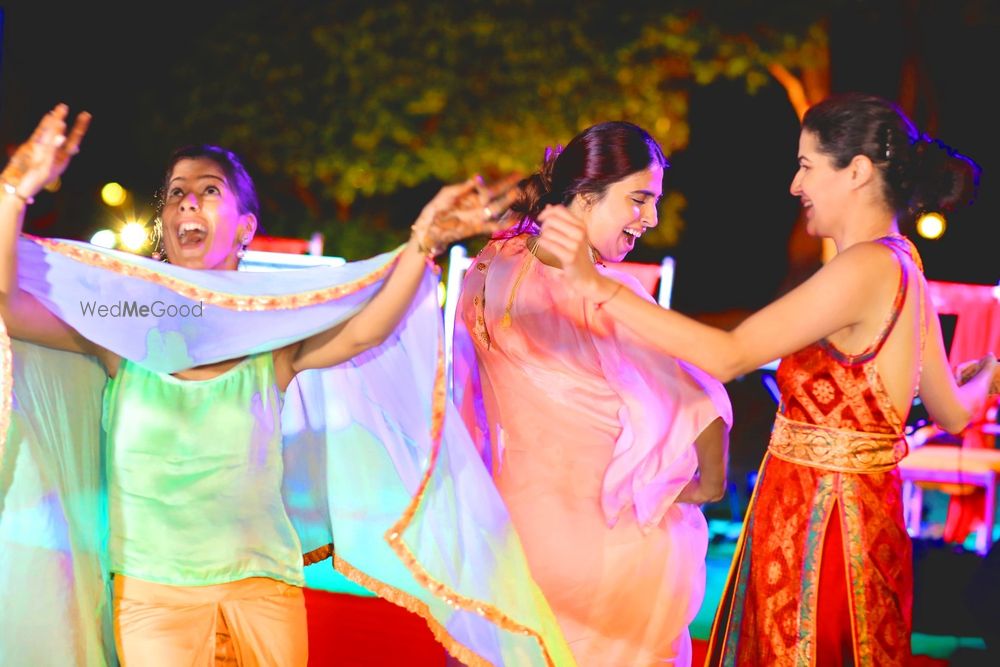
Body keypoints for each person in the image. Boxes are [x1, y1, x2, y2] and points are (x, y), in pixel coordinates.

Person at [0, 104, 575, 666]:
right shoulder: (120, 333)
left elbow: (364, 332)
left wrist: (422, 242)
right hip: (151, 598)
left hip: (263, 590)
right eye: (176, 193)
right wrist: (14, 192)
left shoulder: (269, 343)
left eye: (209, 190)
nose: (188, 201)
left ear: (245, 228)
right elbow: (9, 306)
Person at [537, 93, 998, 666]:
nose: (795, 185)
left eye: (806, 166)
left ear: (856, 171)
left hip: (823, 523)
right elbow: (953, 411)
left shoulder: (864, 266)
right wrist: (988, 375)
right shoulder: (905, 263)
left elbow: (730, 354)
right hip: (846, 513)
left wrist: (597, 286)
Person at [452, 120, 733, 666]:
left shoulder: (486, 266)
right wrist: (710, 485)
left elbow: (471, 397)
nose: (651, 219)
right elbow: (702, 400)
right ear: (584, 197)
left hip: (508, 531)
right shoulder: (602, 292)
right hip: (601, 542)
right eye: (639, 199)